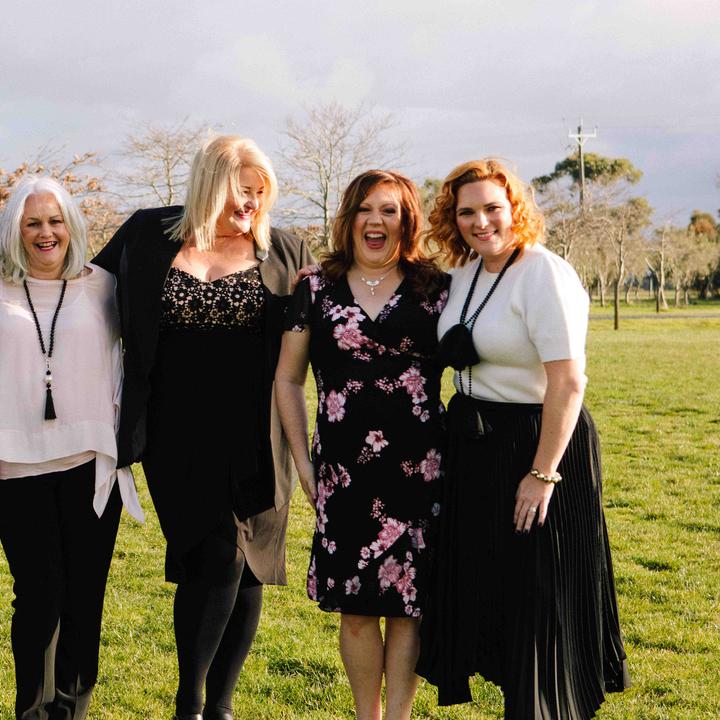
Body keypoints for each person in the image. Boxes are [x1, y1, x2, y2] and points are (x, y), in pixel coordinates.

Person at [93, 135, 313, 720]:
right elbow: (84, 292)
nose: (250, 205)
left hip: (258, 433)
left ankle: (214, 706)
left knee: (248, 565)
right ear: (207, 185)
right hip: (174, 430)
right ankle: (191, 700)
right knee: (211, 557)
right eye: (240, 191)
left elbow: (330, 322)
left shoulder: (286, 249)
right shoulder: (147, 233)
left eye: (259, 193)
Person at [416, 159, 629, 718]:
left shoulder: (543, 272)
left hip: (536, 442)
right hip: (475, 444)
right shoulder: (463, 276)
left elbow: (569, 380)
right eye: (466, 211)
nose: (480, 221)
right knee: (495, 593)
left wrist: (542, 474)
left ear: (516, 209)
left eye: (492, 208)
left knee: (540, 595)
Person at [274, 170, 447, 720]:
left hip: (420, 472)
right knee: (355, 608)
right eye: (366, 209)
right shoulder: (315, 289)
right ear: (349, 217)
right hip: (344, 475)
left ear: (407, 221)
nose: (377, 221)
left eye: (390, 211)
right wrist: (303, 463)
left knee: (408, 607)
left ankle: (398, 716)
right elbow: (286, 380)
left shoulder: (435, 288)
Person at [0, 175, 143, 719]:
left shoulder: (103, 286)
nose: (46, 233)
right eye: (32, 223)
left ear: (71, 227)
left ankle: (70, 707)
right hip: (19, 467)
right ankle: (31, 707)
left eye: (54, 222)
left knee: (84, 597)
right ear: (14, 230)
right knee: (40, 595)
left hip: (90, 464)